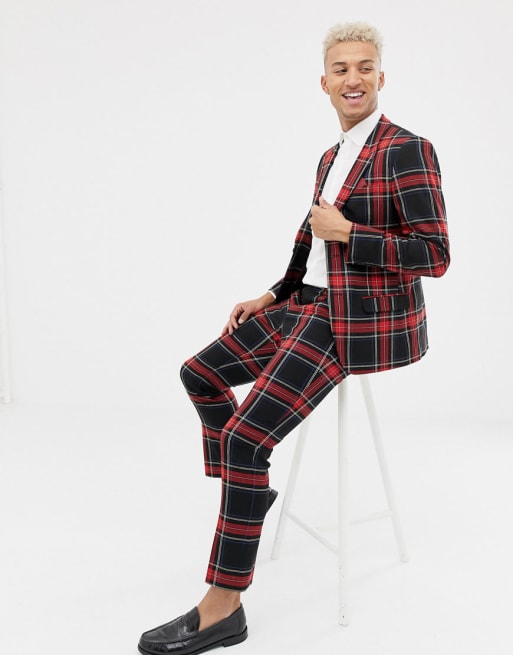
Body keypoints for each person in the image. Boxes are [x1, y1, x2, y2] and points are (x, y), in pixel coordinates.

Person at [138, 20, 450, 655]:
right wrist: (272, 294)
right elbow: (312, 243)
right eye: (341, 69)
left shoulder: (407, 149)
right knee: (199, 373)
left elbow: (436, 253)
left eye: (364, 67)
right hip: (305, 304)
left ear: (382, 77)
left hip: (353, 321)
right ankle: (247, 491)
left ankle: (223, 607)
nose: (353, 78)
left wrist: (351, 234)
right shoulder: (331, 157)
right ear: (324, 83)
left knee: (245, 439)